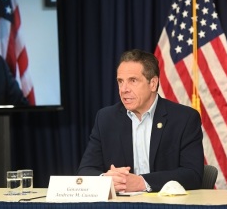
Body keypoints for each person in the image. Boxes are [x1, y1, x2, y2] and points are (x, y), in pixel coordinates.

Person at [77, 49, 204, 192]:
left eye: (133, 81)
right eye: (120, 81)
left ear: (153, 83)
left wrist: (143, 182)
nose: (124, 89)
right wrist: (106, 179)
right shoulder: (106, 118)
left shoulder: (184, 118)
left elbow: (193, 175)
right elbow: (86, 170)